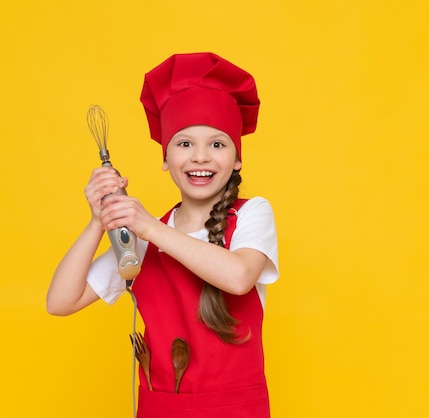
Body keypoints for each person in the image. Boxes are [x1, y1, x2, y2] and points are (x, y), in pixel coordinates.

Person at [46, 52, 279, 417]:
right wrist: (98, 222)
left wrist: (148, 227)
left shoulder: (251, 213)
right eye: (184, 144)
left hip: (236, 410)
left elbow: (238, 277)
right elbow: (60, 302)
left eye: (217, 144)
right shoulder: (139, 240)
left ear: (237, 158)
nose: (200, 157)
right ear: (165, 158)